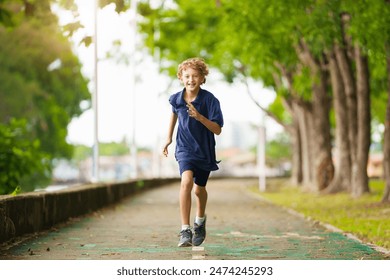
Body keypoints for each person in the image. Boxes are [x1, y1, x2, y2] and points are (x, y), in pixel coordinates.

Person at [163, 57, 224, 247]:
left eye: (195, 76)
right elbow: (174, 113)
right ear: (181, 77)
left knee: (199, 189)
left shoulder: (210, 100)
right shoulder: (177, 98)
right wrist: (168, 138)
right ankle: (185, 229)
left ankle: (200, 221)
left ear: (202, 78)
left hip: (204, 151)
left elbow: (217, 129)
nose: (191, 80)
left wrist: (199, 117)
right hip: (184, 149)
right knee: (186, 182)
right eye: (187, 76)